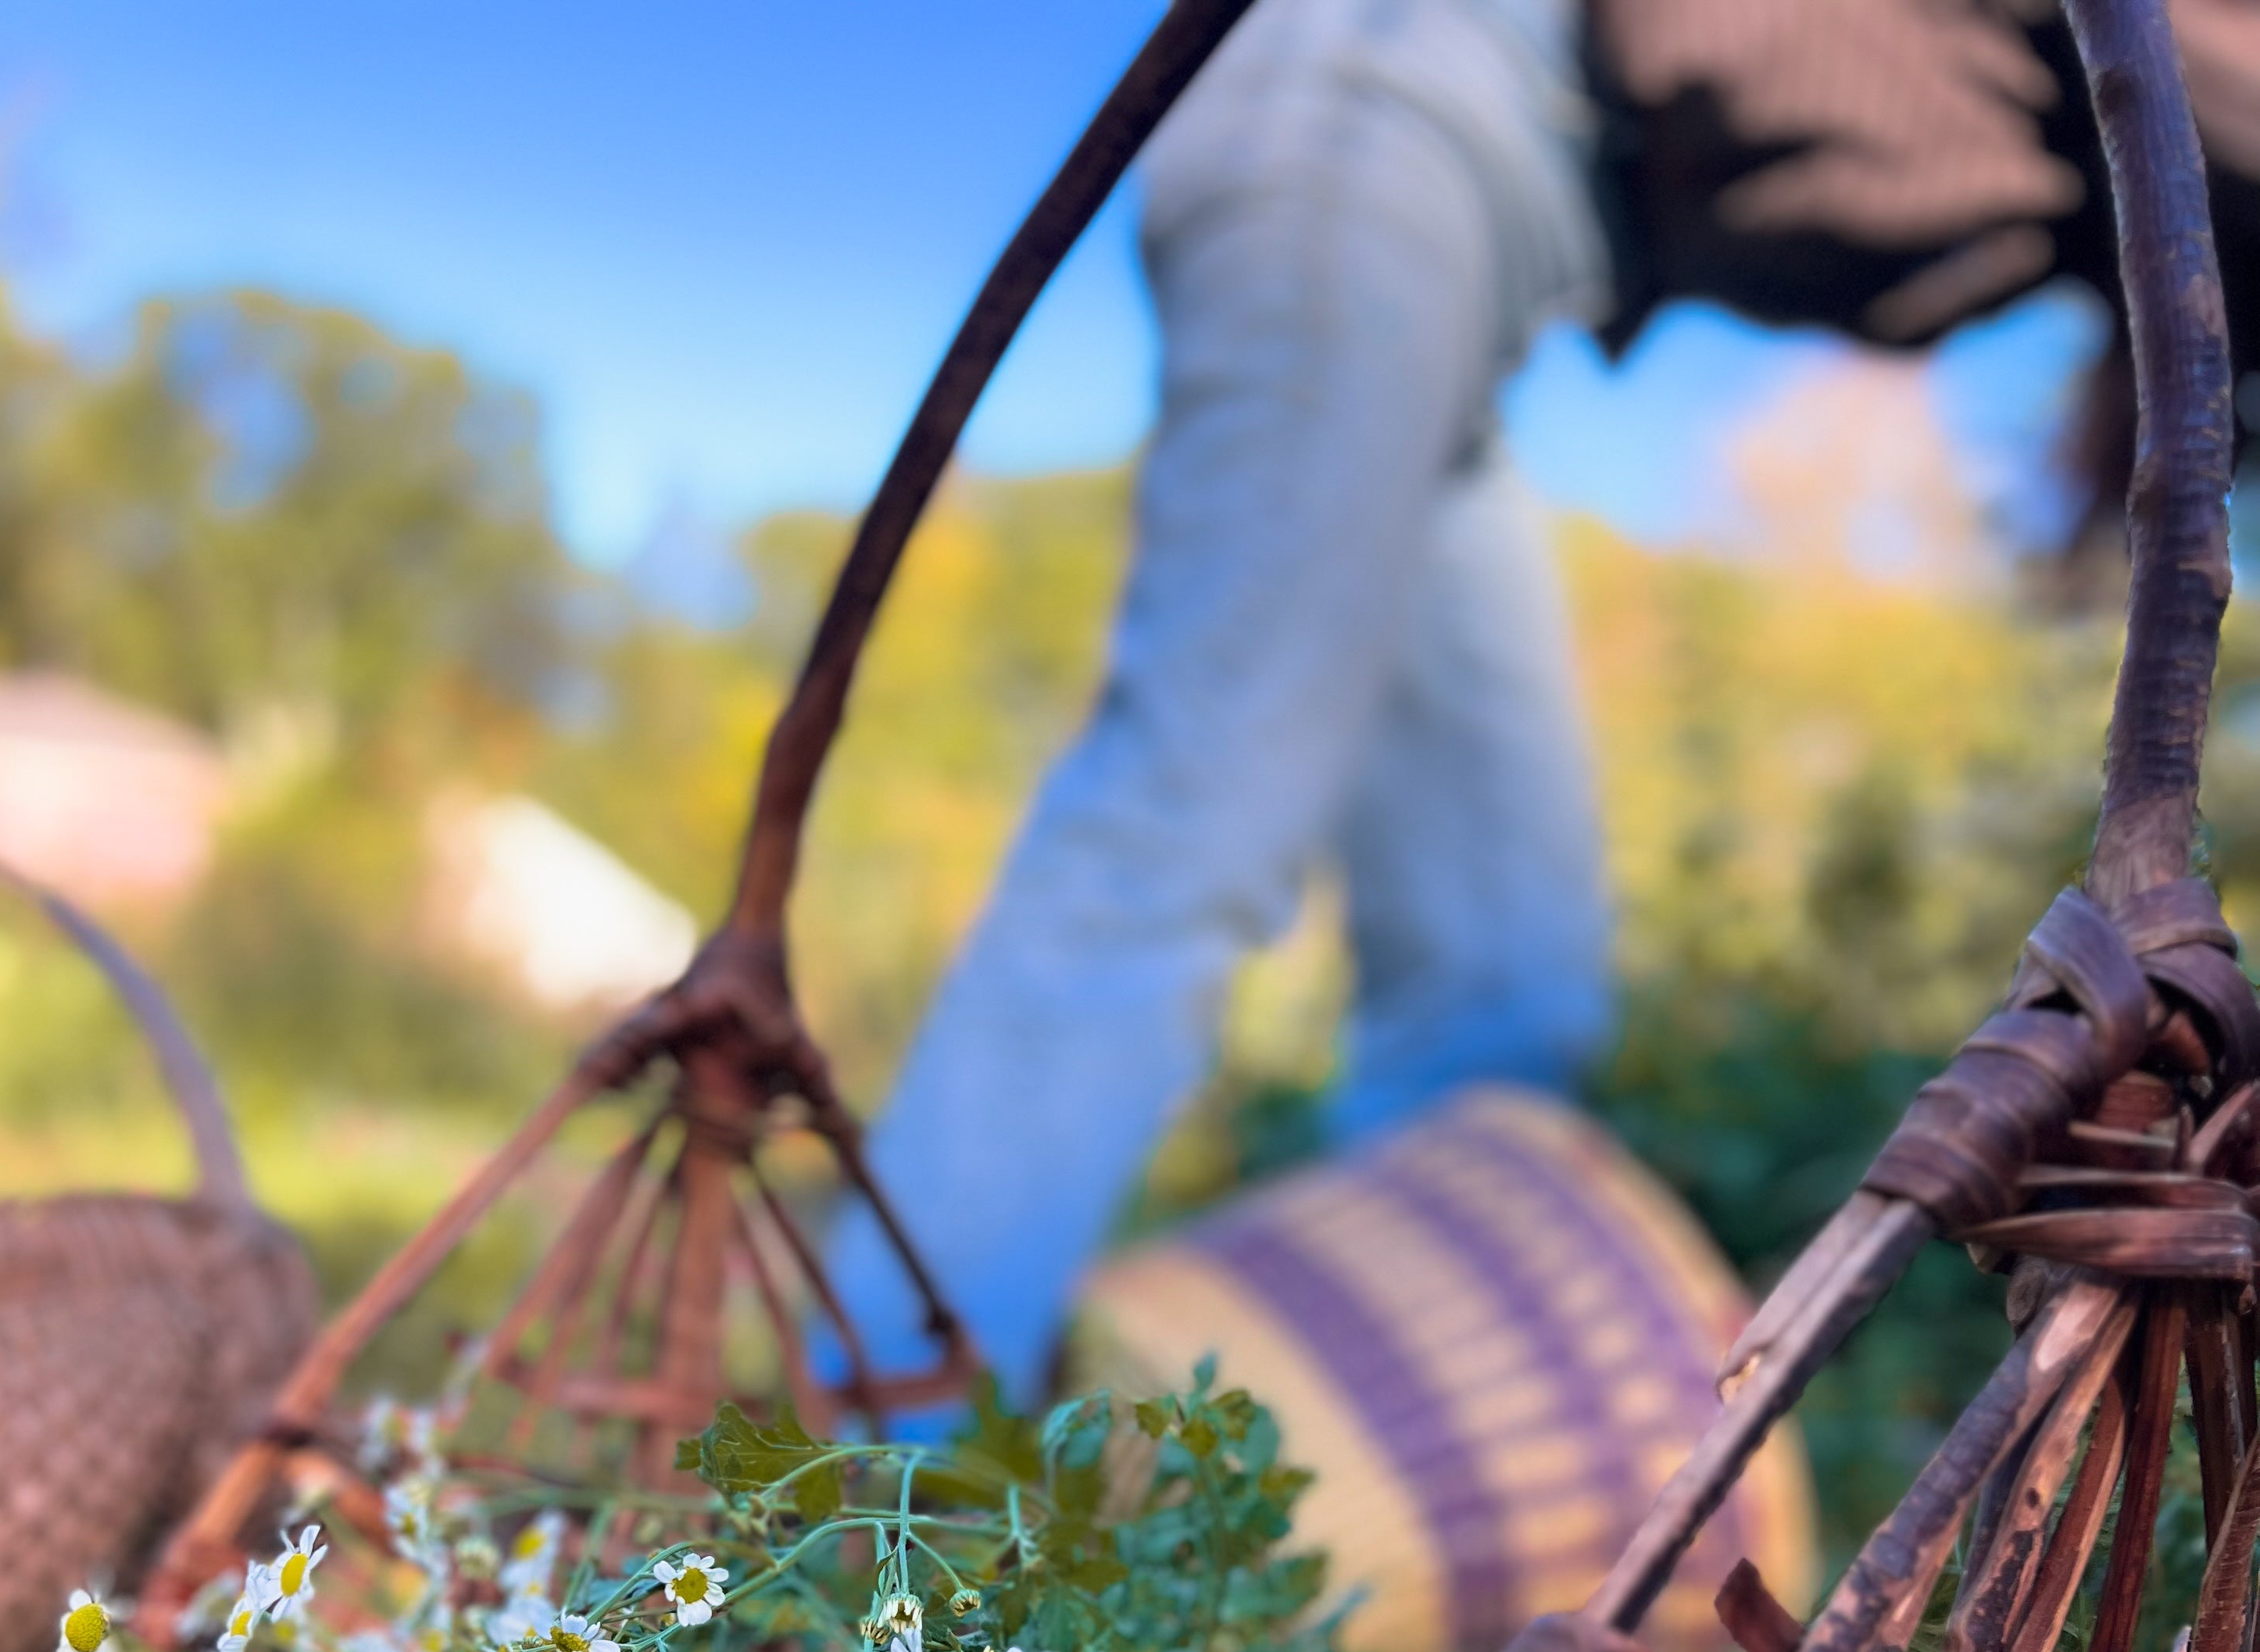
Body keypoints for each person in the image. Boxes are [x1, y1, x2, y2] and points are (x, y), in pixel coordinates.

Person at [828, 0, 2260, 1410]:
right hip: (1388, 86)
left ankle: (1289, 1486)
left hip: (1471, 206)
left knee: (1497, 986)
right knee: (1190, 815)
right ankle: (858, 1455)